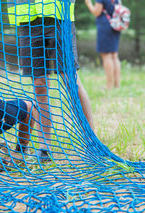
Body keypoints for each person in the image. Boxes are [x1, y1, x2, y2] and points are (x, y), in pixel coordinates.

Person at [8, 0, 95, 162]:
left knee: (71, 81)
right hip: (27, 18)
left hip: (58, 14)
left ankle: (91, 140)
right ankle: (44, 148)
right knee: (39, 85)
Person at [85, 0, 121, 90]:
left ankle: (109, 86)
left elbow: (97, 12)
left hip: (105, 26)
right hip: (116, 25)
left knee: (106, 56)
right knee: (114, 55)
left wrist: (88, 3)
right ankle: (117, 85)